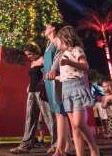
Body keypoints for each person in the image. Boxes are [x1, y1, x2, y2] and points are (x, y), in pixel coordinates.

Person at [54, 25, 100, 156]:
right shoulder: (62, 55)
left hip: (77, 88)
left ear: (65, 39)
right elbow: (67, 74)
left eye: (58, 41)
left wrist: (69, 62)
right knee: (74, 127)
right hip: (66, 90)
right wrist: (56, 77)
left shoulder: (77, 50)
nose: (56, 44)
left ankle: (94, 148)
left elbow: (85, 66)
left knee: (79, 123)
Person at [10, 43, 55, 154]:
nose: (28, 56)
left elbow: (49, 74)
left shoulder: (43, 59)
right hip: (31, 93)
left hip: (41, 92)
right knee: (30, 118)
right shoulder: (32, 62)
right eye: (27, 55)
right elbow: (33, 77)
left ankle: (57, 145)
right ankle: (25, 146)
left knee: (49, 118)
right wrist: (29, 86)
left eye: (30, 54)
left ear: (35, 51)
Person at [43, 22, 75, 156]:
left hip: (56, 79)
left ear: (53, 28)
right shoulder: (48, 44)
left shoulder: (57, 40)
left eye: (47, 26)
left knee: (60, 113)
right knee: (58, 114)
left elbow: (61, 55)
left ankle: (60, 149)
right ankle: (68, 146)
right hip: (49, 81)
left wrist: (53, 69)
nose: (45, 29)